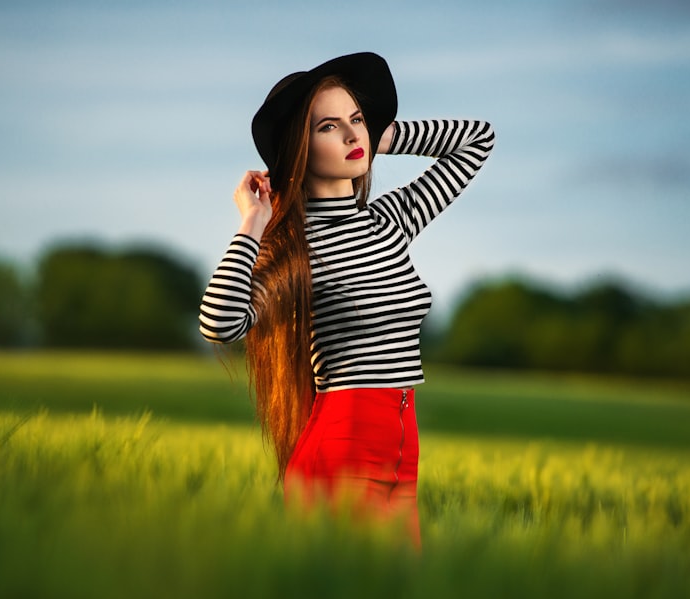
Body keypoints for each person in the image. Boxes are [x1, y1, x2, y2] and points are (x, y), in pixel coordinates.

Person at [199, 52, 494, 548]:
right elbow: (220, 323)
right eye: (329, 127)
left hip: (404, 444)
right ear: (299, 146)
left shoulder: (389, 222)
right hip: (344, 449)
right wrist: (252, 221)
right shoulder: (298, 249)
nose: (352, 136)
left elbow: (477, 139)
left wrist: (381, 134)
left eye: (355, 120)